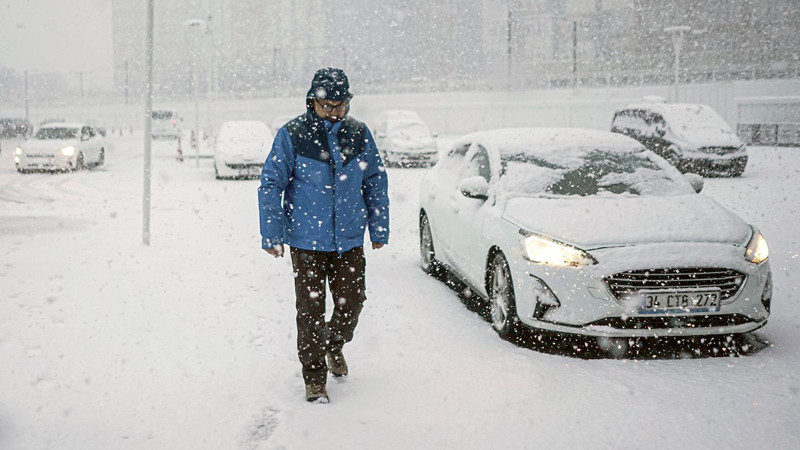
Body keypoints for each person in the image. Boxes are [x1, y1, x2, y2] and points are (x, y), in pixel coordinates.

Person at [258, 67, 389, 403]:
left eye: (341, 104)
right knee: (310, 311)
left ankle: (334, 344)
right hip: (306, 242)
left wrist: (378, 227)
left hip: (348, 241)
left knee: (353, 304)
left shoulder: (359, 133)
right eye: (328, 105)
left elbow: (374, 180)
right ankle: (314, 377)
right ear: (312, 102)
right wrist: (272, 234)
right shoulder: (292, 134)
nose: (336, 112)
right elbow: (272, 184)